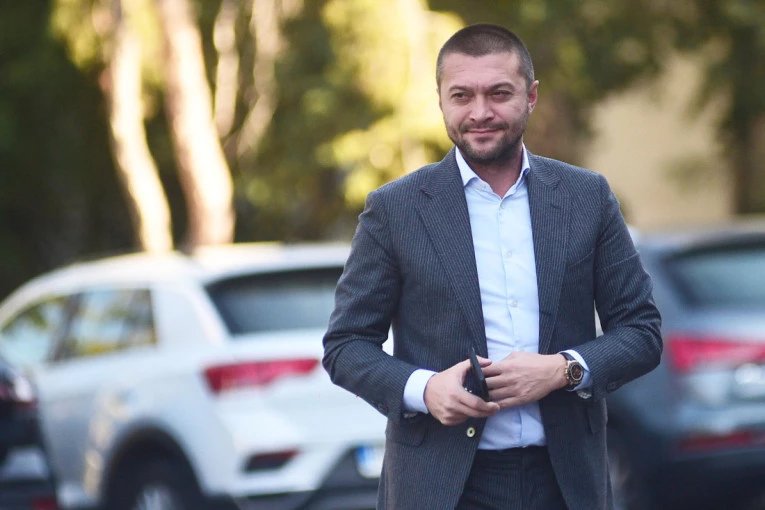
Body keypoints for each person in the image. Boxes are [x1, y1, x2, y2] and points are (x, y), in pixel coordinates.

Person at [322, 23, 662, 510]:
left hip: (566, 482)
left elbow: (641, 330)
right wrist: (424, 389)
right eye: (461, 96)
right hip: (442, 487)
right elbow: (346, 345)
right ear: (441, 101)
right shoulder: (396, 209)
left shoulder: (587, 197)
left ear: (531, 96)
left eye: (499, 93)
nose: (479, 112)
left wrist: (564, 369)